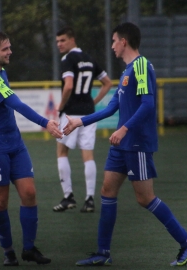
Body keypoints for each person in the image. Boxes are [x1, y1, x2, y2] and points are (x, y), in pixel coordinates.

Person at [63, 22, 187, 267]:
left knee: (145, 198)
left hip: (136, 143)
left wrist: (124, 128)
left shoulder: (141, 66)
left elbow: (148, 105)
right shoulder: (127, 71)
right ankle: (103, 252)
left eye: (114, 40)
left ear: (124, 41)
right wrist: (79, 121)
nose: (112, 45)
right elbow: (111, 108)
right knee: (107, 191)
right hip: (121, 146)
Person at [0, 30, 62, 266]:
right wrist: (45, 122)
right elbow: (15, 103)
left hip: (14, 143)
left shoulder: (1, 71)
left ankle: (29, 249)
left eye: (10, 47)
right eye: (5, 49)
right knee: (0, 202)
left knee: (30, 193)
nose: (10, 51)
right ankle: (8, 251)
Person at [53, 27, 112, 213]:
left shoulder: (68, 59)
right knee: (88, 155)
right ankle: (90, 199)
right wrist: (93, 102)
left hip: (71, 112)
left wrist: (61, 106)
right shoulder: (89, 58)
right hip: (88, 113)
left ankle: (68, 196)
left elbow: (68, 86)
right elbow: (108, 83)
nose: (59, 44)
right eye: (57, 41)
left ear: (72, 40)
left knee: (62, 152)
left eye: (62, 40)